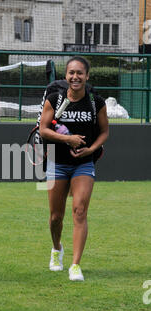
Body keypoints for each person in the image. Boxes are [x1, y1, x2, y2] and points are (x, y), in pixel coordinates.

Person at [39, 56, 109, 281]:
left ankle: (75, 265)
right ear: (66, 76)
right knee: (55, 217)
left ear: (87, 76)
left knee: (80, 211)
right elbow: (43, 130)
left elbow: (104, 132)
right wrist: (67, 139)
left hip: (83, 164)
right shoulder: (54, 99)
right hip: (57, 163)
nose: (75, 77)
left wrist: (91, 150)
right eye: (71, 73)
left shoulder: (95, 102)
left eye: (80, 73)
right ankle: (56, 248)